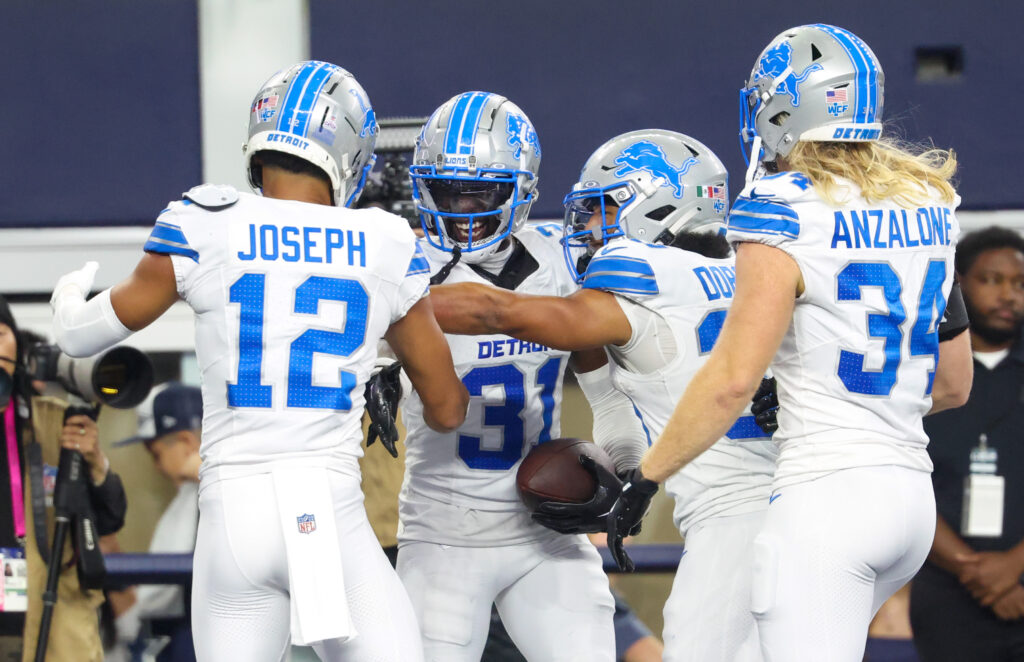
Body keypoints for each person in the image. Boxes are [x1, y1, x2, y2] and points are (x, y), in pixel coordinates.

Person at [49, 60, 468, 662]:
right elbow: (448, 409)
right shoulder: (385, 242)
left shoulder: (207, 221)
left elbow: (78, 335)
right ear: (349, 151)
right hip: (330, 511)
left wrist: (69, 295)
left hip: (233, 517)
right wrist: (381, 365)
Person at [604, 24, 972, 662]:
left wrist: (646, 478)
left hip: (827, 502)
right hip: (912, 500)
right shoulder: (927, 201)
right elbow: (953, 383)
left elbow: (731, 382)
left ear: (781, 109)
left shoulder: (780, 206)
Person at [428, 129, 777, 661]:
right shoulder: (756, 272)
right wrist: (633, 469)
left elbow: (496, 311)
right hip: (803, 508)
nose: (591, 226)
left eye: (605, 208)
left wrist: (386, 298)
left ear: (659, 205)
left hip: (731, 525)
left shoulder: (644, 281)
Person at [394, 91, 616, 661]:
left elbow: (605, 387)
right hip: (443, 534)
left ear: (521, 191)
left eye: (482, 192)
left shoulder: (560, 263)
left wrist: (629, 461)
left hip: (545, 530)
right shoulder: (398, 266)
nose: (462, 209)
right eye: (447, 191)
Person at [911, 226, 1024, 661]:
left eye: (1019, 284)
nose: (1008, 295)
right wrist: (968, 568)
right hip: (946, 590)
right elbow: (904, 476)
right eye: (991, 280)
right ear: (958, 285)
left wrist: (1012, 567)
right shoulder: (923, 370)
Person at [0, 295, 128, 662]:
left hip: (53, 621)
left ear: (18, 345)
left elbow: (110, 518)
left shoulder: (56, 422)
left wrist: (95, 461)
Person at [110, 382, 203, 662]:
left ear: (186, 442)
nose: (156, 466)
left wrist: (206, 470)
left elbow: (156, 597)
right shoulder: (189, 495)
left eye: (156, 453)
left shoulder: (210, 493)